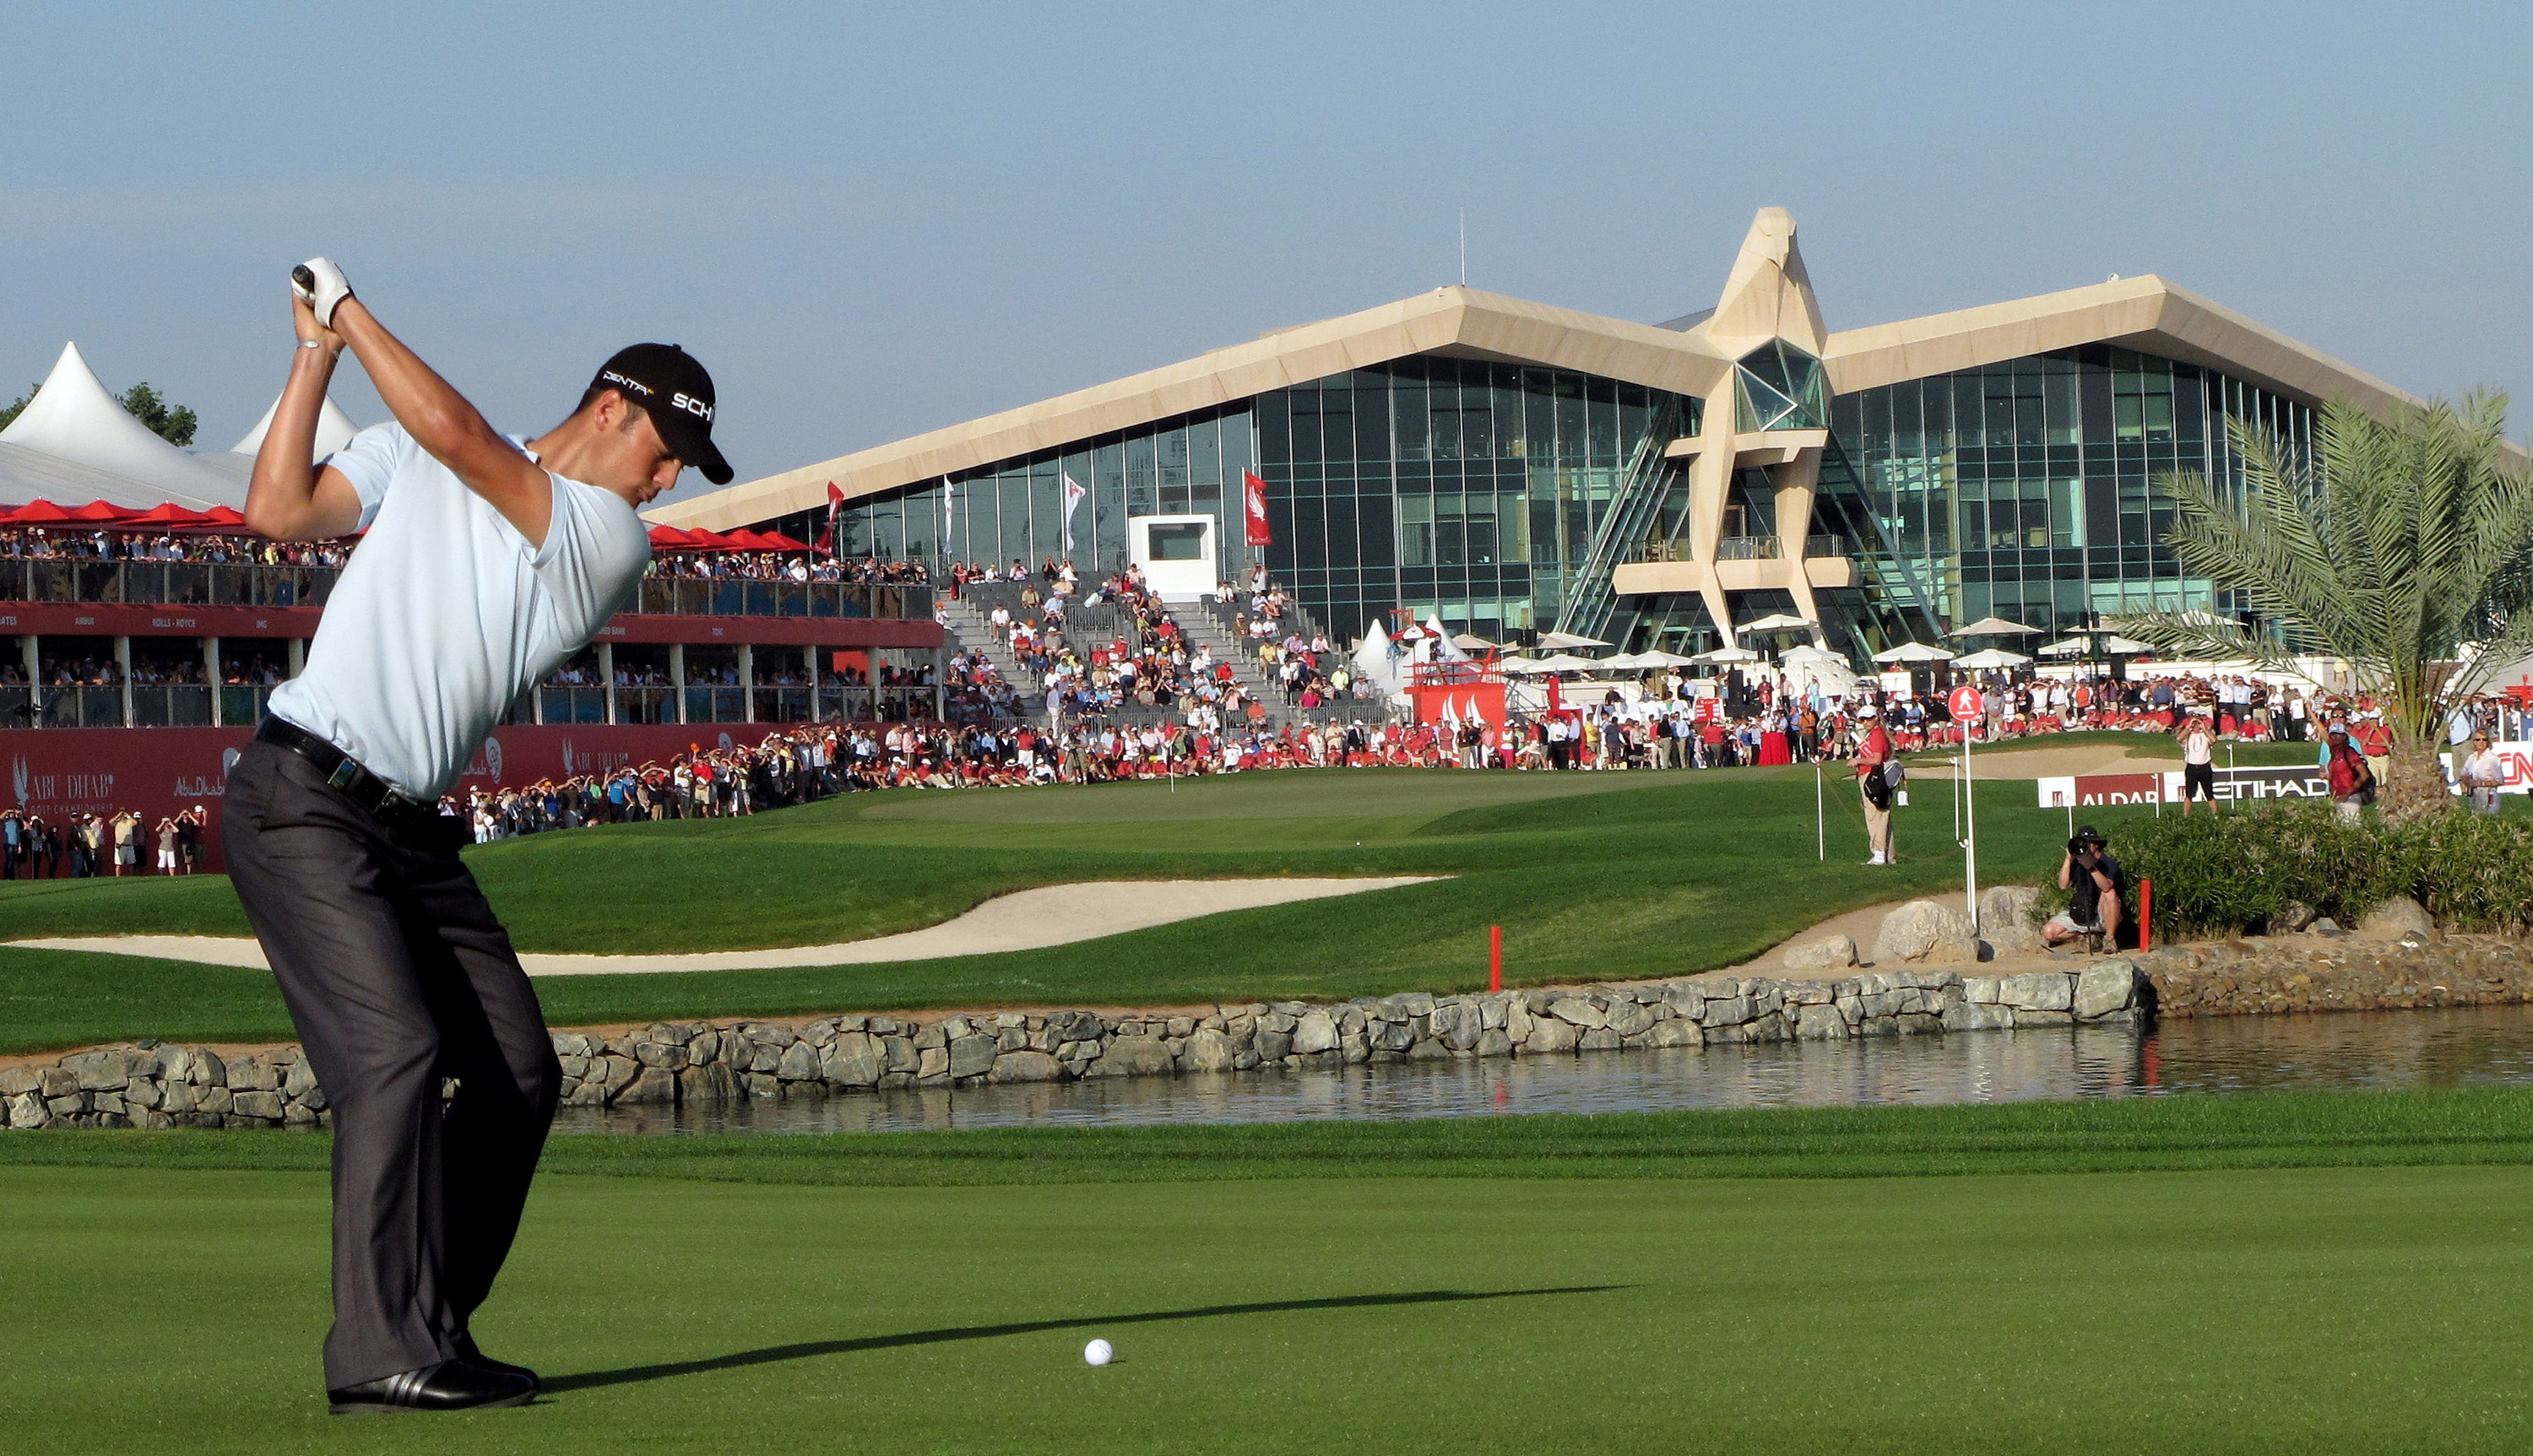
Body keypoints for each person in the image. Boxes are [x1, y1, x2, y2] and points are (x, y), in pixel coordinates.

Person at [222, 257, 724, 1415]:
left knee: (517, 1070)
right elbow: (277, 512)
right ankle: (378, 1351)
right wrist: (316, 352)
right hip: (301, 797)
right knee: (394, 1056)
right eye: (666, 454)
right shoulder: (410, 454)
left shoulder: (607, 537)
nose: (665, 484)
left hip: (407, 832)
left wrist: (349, 310)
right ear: (614, 410)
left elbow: (457, 435)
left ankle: (428, 1325)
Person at [2042, 825, 2128, 948]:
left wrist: (2091, 868)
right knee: (2049, 932)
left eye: (2088, 843)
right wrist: (2069, 859)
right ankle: (2085, 937)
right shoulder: (2077, 863)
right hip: (2083, 910)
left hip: (2104, 913)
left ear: (2096, 845)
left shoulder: (2108, 863)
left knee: (2109, 894)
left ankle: (2109, 939)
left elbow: (2106, 887)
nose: (2085, 847)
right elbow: (2063, 885)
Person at [1855, 704, 1895, 865]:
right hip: (1872, 776)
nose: (1866, 722)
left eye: (1868, 719)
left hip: (1873, 777)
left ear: (1876, 718)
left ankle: (1879, 854)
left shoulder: (1877, 735)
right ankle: (1888, 856)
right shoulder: (1874, 734)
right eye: (1863, 720)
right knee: (1881, 817)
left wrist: (1857, 760)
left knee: (1875, 816)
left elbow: (1876, 760)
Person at [2324, 722, 2374, 825]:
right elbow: (2323, 734)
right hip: (2336, 797)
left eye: (2337, 734)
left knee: (2352, 828)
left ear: (2344, 736)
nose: (2334, 737)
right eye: (2332, 734)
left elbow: (2364, 774)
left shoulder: (2350, 752)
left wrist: (2347, 793)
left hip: (2350, 798)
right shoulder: (2334, 752)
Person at [2176, 708, 2219, 816]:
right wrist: (2188, 727)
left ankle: (2216, 816)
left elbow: (2214, 740)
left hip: (2205, 767)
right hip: (2192, 767)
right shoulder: (2188, 735)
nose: (2196, 725)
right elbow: (2179, 739)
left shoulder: (2205, 734)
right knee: (2189, 794)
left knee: (2209, 794)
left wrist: (2204, 728)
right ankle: (2186, 816)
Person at [2459, 730, 2506, 815]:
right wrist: (2468, 782)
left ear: (2488, 742)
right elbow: (2463, 774)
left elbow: (2499, 781)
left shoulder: (2492, 759)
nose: (2481, 742)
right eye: (2478, 740)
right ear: (2473, 742)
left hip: (2488, 793)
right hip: (2474, 794)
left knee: (2488, 818)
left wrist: (2481, 783)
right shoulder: (2471, 758)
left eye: (2484, 740)